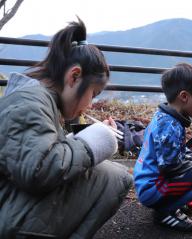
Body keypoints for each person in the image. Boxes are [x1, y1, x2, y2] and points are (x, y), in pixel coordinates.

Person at [0, 18, 133, 239]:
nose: (90, 104)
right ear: (74, 76)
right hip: (8, 216)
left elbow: (34, 152)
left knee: (110, 174)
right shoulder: (29, 103)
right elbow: (37, 170)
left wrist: (85, 137)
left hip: (10, 202)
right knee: (114, 177)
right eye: (93, 93)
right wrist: (93, 143)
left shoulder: (37, 98)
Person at [133, 63, 192, 232]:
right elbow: (170, 167)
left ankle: (171, 203)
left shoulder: (166, 117)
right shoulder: (169, 125)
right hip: (153, 187)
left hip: (150, 182)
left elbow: (174, 154)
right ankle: (164, 211)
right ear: (184, 96)